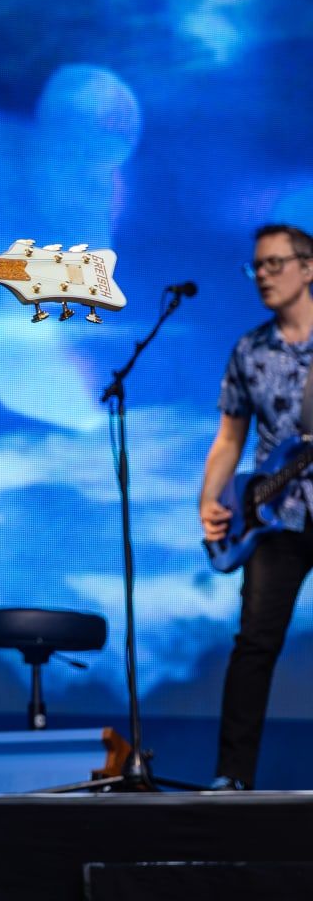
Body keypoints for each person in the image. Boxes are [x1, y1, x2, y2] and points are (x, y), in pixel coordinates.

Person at [199, 222, 313, 791]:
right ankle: (232, 776)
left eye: (275, 264)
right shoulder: (250, 349)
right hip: (274, 515)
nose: (264, 276)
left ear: (308, 267)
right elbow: (230, 438)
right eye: (257, 267)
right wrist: (208, 501)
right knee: (255, 644)